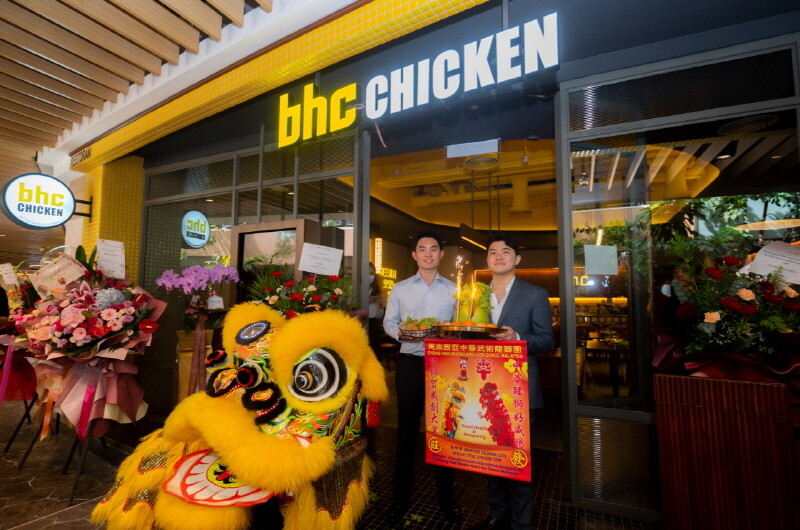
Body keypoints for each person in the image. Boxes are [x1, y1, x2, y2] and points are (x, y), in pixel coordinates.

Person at [469, 232, 554, 530]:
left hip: (519, 389)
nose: (499, 256)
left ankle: (521, 523)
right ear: (487, 259)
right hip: (483, 388)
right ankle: (497, 514)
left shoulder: (535, 294)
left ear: (517, 259)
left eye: (505, 251)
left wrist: (516, 338)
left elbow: (546, 341)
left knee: (518, 457)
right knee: (489, 454)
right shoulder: (475, 295)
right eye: (493, 252)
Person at [383, 230, 460, 527]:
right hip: (411, 366)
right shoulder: (400, 289)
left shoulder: (454, 290)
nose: (428, 253)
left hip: (444, 368)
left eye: (434, 249)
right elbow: (390, 322)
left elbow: (460, 327)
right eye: (422, 249)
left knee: (444, 433)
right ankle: (400, 500)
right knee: (405, 433)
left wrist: (450, 333)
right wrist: (402, 333)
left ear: (441, 254)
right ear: (414, 255)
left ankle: (447, 501)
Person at [367, 262, 385, 354]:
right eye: (368, 273)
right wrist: (365, 302)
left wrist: (380, 304)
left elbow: (379, 316)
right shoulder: (356, 289)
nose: (370, 276)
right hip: (360, 323)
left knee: (375, 353)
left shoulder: (375, 289)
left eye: (372, 273)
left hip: (373, 325)